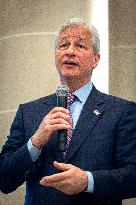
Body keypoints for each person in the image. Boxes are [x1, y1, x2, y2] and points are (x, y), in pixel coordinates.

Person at [0, 18, 136, 205]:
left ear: (95, 59)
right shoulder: (28, 112)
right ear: (56, 55)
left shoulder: (121, 111)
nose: (70, 51)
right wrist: (35, 141)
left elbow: (133, 176)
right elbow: (4, 180)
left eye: (80, 46)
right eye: (63, 45)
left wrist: (87, 181)